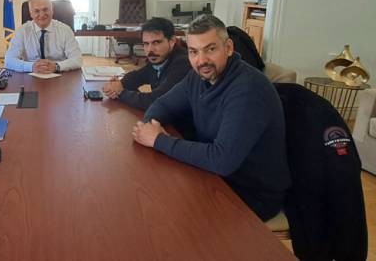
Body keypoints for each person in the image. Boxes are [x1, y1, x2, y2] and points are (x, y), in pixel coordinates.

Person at [131, 14, 290, 221]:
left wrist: (158, 140)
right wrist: (150, 126)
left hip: (250, 193)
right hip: (215, 176)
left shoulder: (248, 89)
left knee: (167, 219)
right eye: (193, 52)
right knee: (149, 201)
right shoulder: (197, 77)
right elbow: (162, 104)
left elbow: (222, 160)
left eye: (211, 49)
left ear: (229, 48)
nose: (202, 60)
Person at [101, 17, 190, 110]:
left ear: (172, 41)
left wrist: (121, 92)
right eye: (146, 44)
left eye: (156, 42)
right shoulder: (158, 59)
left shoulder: (183, 63)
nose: (150, 49)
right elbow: (138, 76)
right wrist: (118, 84)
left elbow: (155, 101)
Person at [4, 0, 83, 73]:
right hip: (31, 75)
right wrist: (31, 66)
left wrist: (57, 66)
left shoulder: (65, 30)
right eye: (36, 11)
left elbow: (78, 59)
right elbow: (8, 60)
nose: (42, 15)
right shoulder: (22, 31)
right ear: (31, 13)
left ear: (52, 10)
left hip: (60, 74)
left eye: (45, 9)